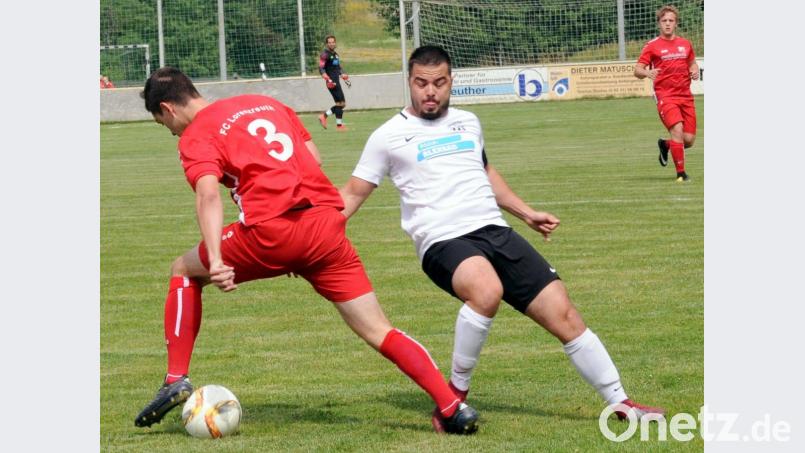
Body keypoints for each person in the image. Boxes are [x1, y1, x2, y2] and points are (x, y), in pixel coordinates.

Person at [132, 66, 479, 435]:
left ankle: (175, 378)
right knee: (379, 329)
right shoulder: (264, 103)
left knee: (183, 270)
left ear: (167, 109)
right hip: (326, 226)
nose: (172, 132)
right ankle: (453, 407)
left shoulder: (196, 135)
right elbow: (313, 157)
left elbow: (208, 195)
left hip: (271, 232)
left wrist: (216, 259)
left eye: (164, 124)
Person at [339, 46, 665, 432]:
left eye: (439, 83)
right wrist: (312, 238)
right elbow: (352, 194)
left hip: (494, 230)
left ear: (451, 82)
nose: (430, 91)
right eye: (421, 83)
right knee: (486, 290)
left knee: (564, 313)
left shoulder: (468, 122)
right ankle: (453, 398)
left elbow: (486, 172)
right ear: (409, 82)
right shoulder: (387, 136)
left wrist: (526, 213)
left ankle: (621, 403)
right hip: (442, 239)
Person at [634, 5, 700, 182]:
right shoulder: (652, 46)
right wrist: (647, 72)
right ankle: (681, 174)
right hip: (665, 96)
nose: (668, 24)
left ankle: (665, 144)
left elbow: (692, 63)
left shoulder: (685, 44)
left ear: (676, 23)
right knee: (677, 130)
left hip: (685, 96)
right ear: (659, 24)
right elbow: (637, 70)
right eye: (664, 21)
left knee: (688, 140)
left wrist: (694, 70)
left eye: (671, 20)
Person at [317, 35, 350, 131]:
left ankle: (325, 117)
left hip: (336, 81)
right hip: (331, 82)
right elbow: (321, 67)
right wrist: (325, 76)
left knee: (341, 104)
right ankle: (337, 125)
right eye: (329, 42)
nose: (331, 44)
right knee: (341, 104)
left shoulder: (335, 55)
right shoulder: (325, 54)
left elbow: (338, 67)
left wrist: (343, 74)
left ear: (335, 43)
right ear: (327, 44)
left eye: (333, 42)